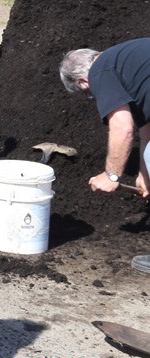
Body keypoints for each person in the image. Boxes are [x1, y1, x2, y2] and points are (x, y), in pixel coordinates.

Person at [60, 39, 150, 274]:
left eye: (89, 94)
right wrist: (144, 171)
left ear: (82, 81)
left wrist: (111, 175)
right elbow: (146, 126)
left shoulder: (102, 71)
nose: (94, 96)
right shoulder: (128, 61)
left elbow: (123, 127)